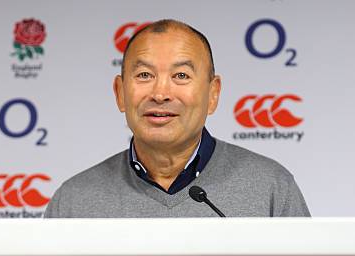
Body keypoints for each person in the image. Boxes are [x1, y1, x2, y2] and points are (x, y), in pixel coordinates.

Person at [45, 19, 310, 218]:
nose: (160, 93)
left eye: (181, 76)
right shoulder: (73, 202)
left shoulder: (271, 188)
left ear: (213, 94)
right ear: (120, 93)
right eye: (145, 75)